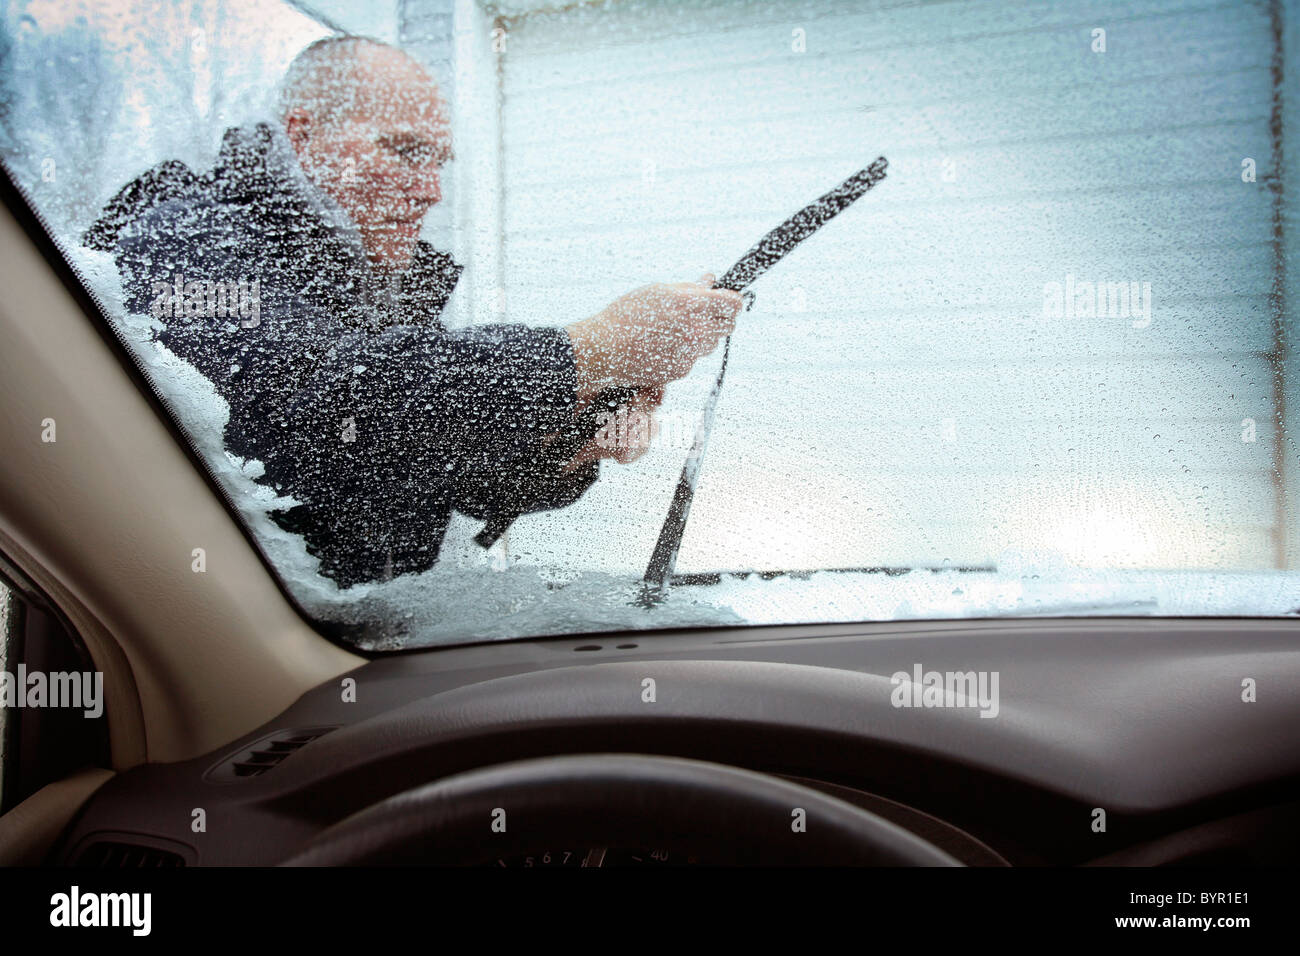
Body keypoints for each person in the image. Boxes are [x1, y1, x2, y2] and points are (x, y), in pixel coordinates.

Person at [86, 35, 741, 588]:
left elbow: (449, 471)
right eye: (402, 150)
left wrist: (574, 433)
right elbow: (328, 403)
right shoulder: (186, 242)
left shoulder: (377, 282)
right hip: (238, 646)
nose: (430, 190)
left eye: (438, 161)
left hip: (365, 641)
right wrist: (593, 349)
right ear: (304, 135)